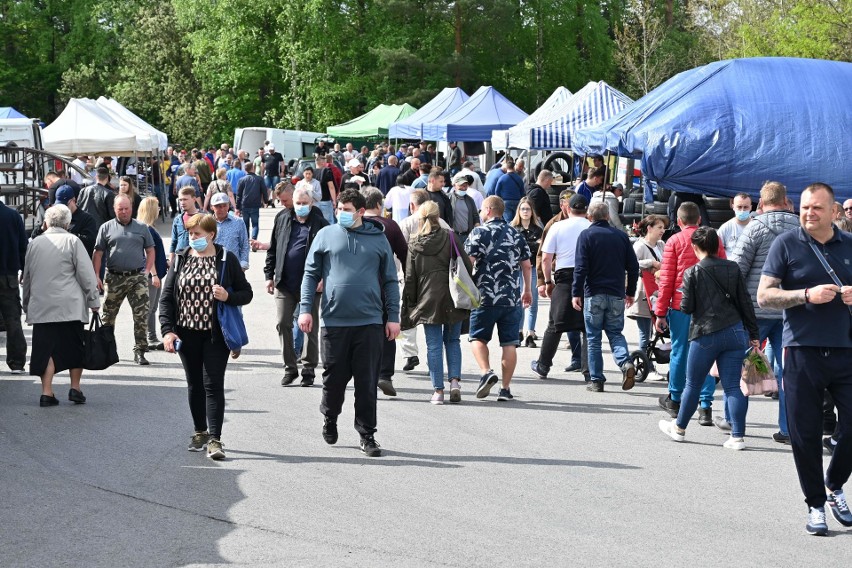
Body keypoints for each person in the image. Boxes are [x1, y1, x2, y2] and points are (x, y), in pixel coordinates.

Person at [758, 182, 852, 536]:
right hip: (801, 351)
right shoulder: (787, 244)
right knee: (805, 433)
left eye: (817, 208)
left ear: (834, 212)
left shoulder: (850, 247)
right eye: (805, 208)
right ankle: (815, 504)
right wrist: (805, 294)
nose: (809, 214)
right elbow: (765, 296)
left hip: (846, 350)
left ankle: (835, 484)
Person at [298, 189, 400, 457]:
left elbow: (390, 280)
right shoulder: (326, 235)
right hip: (334, 320)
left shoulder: (378, 239)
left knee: (367, 382)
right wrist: (306, 309)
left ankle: (367, 435)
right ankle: (330, 417)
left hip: (370, 321)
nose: (340, 213)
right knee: (334, 379)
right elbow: (310, 274)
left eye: (346, 209)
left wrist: (394, 318)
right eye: (338, 208)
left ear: (361, 212)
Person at [160, 213, 253, 461]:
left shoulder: (226, 259)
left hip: (215, 335)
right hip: (186, 334)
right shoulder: (181, 259)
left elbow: (246, 293)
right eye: (190, 234)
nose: (193, 238)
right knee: (194, 384)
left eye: (198, 234)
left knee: (213, 385)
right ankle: (200, 431)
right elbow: (167, 298)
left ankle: (215, 438)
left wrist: (228, 297)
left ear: (211, 234)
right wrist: (167, 330)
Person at [659, 226, 759, 448]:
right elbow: (745, 303)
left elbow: (686, 307)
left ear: (695, 247)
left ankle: (679, 428)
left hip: (705, 333)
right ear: (718, 246)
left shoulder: (692, 272)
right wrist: (753, 334)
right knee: (733, 386)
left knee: (693, 383)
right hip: (735, 332)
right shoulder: (733, 268)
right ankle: (737, 436)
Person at [729, 181, 799, 443]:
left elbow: (737, 270)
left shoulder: (754, 228)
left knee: (742, 367)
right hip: (790, 311)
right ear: (785, 200)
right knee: (789, 372)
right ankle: (788, 429)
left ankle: (736, 426)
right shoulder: (800, 228)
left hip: (755, 311)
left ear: (761, 201)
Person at [654, 202, 726, 422]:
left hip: (680, 305)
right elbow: (723, 271)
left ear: (678, 221)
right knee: (705, 354)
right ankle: (705, 406)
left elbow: (666, 280)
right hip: (709, 307)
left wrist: (659, 311)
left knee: (679, 352)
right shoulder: (714, 240)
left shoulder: (674, 241)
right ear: (699, 220)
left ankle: (675, 399)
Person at [22, 205, 100, 406]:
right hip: (70, 307)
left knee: (45, 350)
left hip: (42, 307)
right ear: (67, 223)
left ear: (46, 223)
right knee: (75, 348)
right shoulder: (72, 241)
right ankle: (75, 389)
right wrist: (93, 301)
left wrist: (26, 303)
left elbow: (28, 277)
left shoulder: (35, 243)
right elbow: (86, 275)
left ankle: (46, 393)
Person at [401, 202, 472, 404]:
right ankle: (455, 382)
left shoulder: (415, 243)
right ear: (438, 215)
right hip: (453, 296)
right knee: (453, 341)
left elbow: (410, 277)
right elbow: (466, 264)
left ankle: (438, 391)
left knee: (433, 345)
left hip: (427, 298)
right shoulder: (450, 237)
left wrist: (411, 303)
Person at [464, 196, 532, 402]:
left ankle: (486, 372)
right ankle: (505, 388)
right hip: (511, 297)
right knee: (509, 343)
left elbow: (468, 262)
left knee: (477, 338)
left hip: (484, 296)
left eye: (482, 210)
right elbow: (527, 265)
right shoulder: (516, 233)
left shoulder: (478, 233)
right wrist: (527, 290)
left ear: (489, 210)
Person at [571, 202, 639, 392]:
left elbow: (581, 268)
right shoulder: (621, 236)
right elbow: (633, 267)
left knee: (593, 338)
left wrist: (576, 292)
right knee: (615, 333)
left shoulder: (586, 235)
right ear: (608, 216)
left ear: (589, 217)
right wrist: (630, 292)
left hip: (593, 293)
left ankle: (597, 380)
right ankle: (625, 363)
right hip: (616, 293)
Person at [264, 187, 328, 386]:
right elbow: (273, 248)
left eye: (305, 203)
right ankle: (290, 367)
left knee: (310, 326)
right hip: (285, 283)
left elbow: (329, 254)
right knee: (283, 323)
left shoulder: (320, 223)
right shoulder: (282, 218)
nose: (301, 207)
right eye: (298, 203)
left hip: (311, 284)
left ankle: (308, 369)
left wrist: (324, 278)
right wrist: (269, 275)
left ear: (312, 203)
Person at [530, 194, 591, 381]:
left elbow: (546, 258)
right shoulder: (592, 227)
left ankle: (543, 365)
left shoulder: (557, 226)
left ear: (568, 209)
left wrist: (547, 281)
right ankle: (589, 371)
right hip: (589, 277)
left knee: (555, 325)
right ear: (586, 210)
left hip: (564, 277)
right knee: (588, 328)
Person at [93, 195, 156, 365]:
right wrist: (96, 276)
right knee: (108, 317)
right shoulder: (106, 228)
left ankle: (140, 351)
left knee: (141, 315)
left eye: (127, 208)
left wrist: (147, 271)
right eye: (120, 209)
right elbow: (98, 253)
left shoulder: (142, 228)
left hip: (137, 278)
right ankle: (107, 350)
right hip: (114, 278)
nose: (124, 211)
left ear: (132, 208)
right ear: (114, 209)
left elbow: (150, 250)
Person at [398, 190, 452, 373]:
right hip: (437, 280)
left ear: (412, 206)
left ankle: (410, 353)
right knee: (434, 325)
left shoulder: (405, 223)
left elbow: (398, 252)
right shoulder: (444, 225)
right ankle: (434, 363)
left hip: (410, 276)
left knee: (408, 312)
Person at [361, 186, 408, 398]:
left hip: (359, 287)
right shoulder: (390, 226)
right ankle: (385, 374)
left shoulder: (356, 225)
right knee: (388, 330)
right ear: (379, 205)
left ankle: (365, 374)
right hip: (386, 286)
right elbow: (406, 256)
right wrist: (408, 280)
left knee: (362, 330)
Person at [626, 215, 667, 352]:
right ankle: (646, 365)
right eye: (659, 227)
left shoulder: (661, 245)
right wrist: (650, 263)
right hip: (644, 294)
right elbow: (630, 264)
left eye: (663, 228)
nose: (663, 230)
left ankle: (649, 361)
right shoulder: (639, 245)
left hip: (659, 292)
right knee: (645, 334)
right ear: (649, 228)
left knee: (657, 333)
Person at [0, 197, 28, 373]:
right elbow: (23, 247)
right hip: (7, 275)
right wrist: (25, 270)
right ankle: (16, 362)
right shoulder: (13, 216)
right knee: (12, 320)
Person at [31, 185, 98, 257]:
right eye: (60, 205)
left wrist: (64, 234)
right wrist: (41, 229)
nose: (62, 208)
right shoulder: (55, 215)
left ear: (73, 200)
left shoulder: (87, 219)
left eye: (65, 205)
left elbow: (90, 242)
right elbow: (34, 236)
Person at [511, 197, 543, 347]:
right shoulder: (513, 228)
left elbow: (540, 249)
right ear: (518, 210)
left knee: (533, 301)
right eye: (522, 209)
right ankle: (518, 331)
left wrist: (526, 245)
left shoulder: (538, 229)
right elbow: (514, 249)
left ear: (532, 212)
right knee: (518, 301)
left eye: (528, 209)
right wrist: (531, 244)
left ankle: (530, 332)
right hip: (516, 269)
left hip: (533, 268)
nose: (525, 212)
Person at [137, 197, 168, 350]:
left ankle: (151, 337)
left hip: (155, 274)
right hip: (151, 276)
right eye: (157, 207)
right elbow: (148, 253)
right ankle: (148, 338)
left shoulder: (147, 227)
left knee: (152, 307)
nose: (160, 209)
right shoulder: (147, 228)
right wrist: (154, 274)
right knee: (149, 308)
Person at [235, 162, 268, 240]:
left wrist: (237, 207)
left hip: (244, 205)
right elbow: (264, 191)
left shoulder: (241, 180)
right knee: (255, 224)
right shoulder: (259, 179)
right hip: (255, 204)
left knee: (245, 225)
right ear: (253, 168)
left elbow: (238, 195)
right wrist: (266, 201)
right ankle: (253, 239)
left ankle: (246, 242)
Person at [169, 187, 200, 266]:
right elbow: (173, 242)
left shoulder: (203, 218)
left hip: (197, 261)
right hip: (179, 261)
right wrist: (171, 262)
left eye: (185, 199)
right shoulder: (178, 219)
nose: (182, 202)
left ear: (194, 199)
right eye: (180, 200)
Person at [448, 172, 480, 243]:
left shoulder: (470, 200)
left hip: (467, 235)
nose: (463, 188)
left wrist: (477, 226)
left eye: (465, 186)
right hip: (453, 235)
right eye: (461, 185)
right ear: (454, 185)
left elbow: (475, 215)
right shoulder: (448, 198)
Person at [494, 157, 525, 222]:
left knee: (508, 220)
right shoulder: (519, 178)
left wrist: (500, 201)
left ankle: (509, 231)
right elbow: (522, 191)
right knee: (516, 220)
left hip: (506, 202)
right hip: (517, 201)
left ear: (507, 168)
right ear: (514, 168)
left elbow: (497, 191)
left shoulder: (502, 178)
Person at [314, 155, 337, 224]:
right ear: (323, 163)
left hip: (314, 202)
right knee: (328, 222)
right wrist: (334, 201)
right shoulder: (326, 171)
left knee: (317, 222)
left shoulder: (311, 172)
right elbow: (331, 187)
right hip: (325, 201)